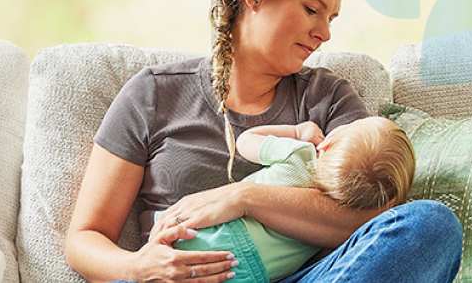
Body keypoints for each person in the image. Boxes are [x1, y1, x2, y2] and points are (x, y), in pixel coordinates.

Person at [65, 0, 463, 283]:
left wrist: (243, 198)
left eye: (332, 18)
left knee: (431, 224)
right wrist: (140, 267)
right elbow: (85, 239)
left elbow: (377, 210)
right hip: (181, 277)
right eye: (312, 9)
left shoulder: (327, 96)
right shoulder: (153, 94)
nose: (324, 32)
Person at [169, 117, 416, 282]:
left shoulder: (299, 154)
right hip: (249, 274)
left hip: (205, 235)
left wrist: (297, 132)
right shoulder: (336, 225)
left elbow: (245, 140)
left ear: (327, 145)